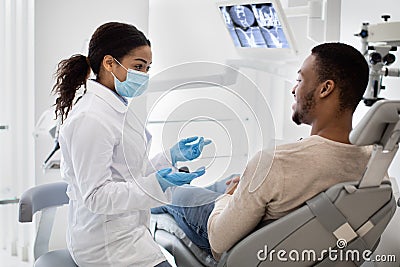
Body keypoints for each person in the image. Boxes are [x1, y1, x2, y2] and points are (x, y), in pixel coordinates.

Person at [151, 42, 372, 260]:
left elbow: (218, 242)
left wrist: (226, 200)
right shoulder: (370, 163)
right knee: (230, 180)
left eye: (299, 80)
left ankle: (148, 198)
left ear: (325, 88)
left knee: (174, 193)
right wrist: (246, 188)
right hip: (297, 235)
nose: (294, 89)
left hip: (240, 238)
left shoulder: (276, 162)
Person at [52, 22, 210, 267]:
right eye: (138, 66)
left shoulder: (115, 106)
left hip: (128, 234)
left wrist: (171, 156)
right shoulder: (91, 118)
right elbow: (96, 197)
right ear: (109, 63)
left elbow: (128, 172)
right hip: (105, 245)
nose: (144, 75)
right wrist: (158, 183)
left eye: (147, 68)